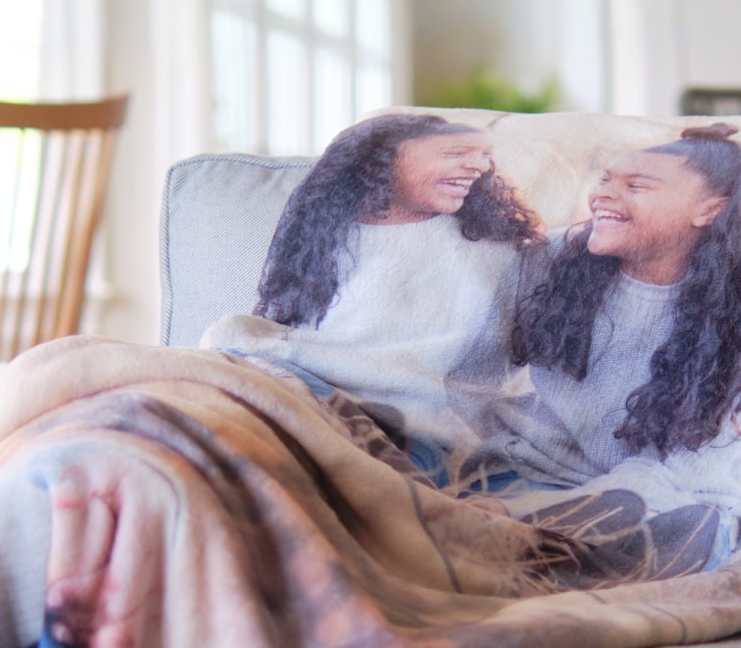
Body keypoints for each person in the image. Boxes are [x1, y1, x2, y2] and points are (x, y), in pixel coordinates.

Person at [458, 123, 741, 570]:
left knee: (691, 532)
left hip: (670, 498)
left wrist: (527, 516)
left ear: (709, 209)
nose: (603, 195)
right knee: (631, 539)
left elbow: (695, 462)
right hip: (529, 476)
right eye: (606, 180)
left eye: (636, 186)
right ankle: (538, 553)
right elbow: (470, 374)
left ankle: (521, 549)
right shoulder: (553, 257)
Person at [202, 113, 544, 479]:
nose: (479, 165)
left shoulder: (497, 248)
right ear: (385, 159)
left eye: (482, 155)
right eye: (455, 153)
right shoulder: (325, 236)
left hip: (415, 435)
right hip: (304, 394)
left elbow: (487, 376)